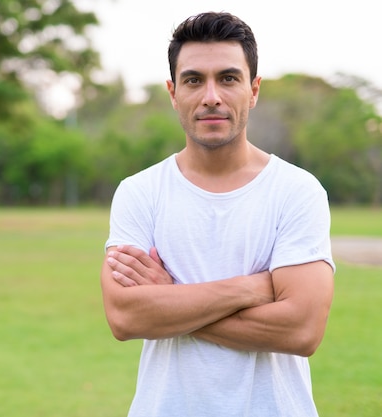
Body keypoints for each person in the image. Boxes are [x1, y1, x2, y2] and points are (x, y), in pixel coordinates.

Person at [100, 11, 335, 417]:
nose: (211, 96)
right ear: (173, 93)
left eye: (228, 78)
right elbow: (125, 316)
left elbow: (301, 329)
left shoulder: (297, 191)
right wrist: (255, 288)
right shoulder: (139, 193)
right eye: (194, 80)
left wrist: (170, 300)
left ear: (253, 89)